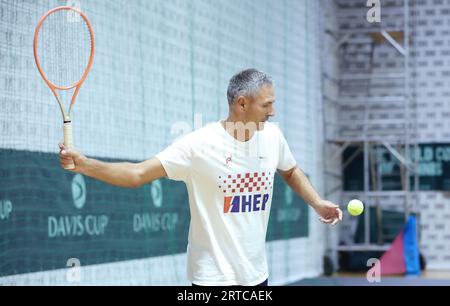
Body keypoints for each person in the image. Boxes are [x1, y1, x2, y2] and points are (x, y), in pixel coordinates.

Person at [59, 68, 343, 286]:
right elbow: (137, 174)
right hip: (212, 278)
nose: (273, 112)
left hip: (256, 274)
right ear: (242, 104)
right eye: (266, 105)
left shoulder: (272, 136)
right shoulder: (198, 144)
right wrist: (85, 165)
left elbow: (290, 170)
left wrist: (316, 202)